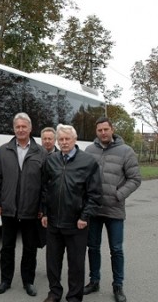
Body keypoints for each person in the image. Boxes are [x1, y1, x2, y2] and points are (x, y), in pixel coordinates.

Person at [41, 124, 102, 302]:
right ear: (57, 141)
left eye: (68, 139)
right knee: (53, 263)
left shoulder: (88, 161)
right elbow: (44, 188)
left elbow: (95, 193)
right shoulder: (50, 160)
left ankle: (74, 297)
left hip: (77, 223)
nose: (64, 142)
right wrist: (44, 212)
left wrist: (85, 216)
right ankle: (54, 293)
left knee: (76, 264)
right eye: (61, 139)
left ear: (75, 140)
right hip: (53, 222)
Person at [84, 117, 141, 302]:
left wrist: (118, 194)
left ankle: (118, 285)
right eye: (99, 130)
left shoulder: (126, 151)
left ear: (112, 129)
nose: (103, 133)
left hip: (114, 210)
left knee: (116, 249)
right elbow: (82, 176)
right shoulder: (89, 150)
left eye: (106, 129)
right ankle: (94, 281)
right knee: (92, 247)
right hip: (93, 209)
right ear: (96, 131)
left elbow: (135, 179)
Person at [0, 112, 47, 297]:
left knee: (29, 249)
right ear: (14, 129)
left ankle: (28, 281)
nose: (21, 130)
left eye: (24, 126)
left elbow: (46, 184)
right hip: (8, 208)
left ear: (30, 129)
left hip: (31, 210)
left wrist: (42, 208)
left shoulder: (41, 153)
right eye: (17, 127)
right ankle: (5, 280)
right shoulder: (4, 150)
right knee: (7, 247)